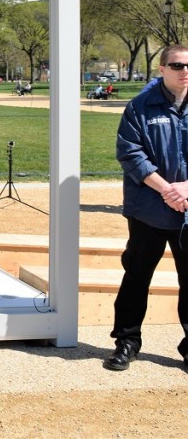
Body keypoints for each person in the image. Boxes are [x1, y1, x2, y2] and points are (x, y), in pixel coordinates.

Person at [108, 45, 188, 371]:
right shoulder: (140, 107)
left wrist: (186, 189)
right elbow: (131, 154)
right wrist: (167, 188)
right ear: (162, 69)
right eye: (177, 65)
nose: (185, 71)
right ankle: (127, 342)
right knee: (137, 277)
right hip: (148, 210)